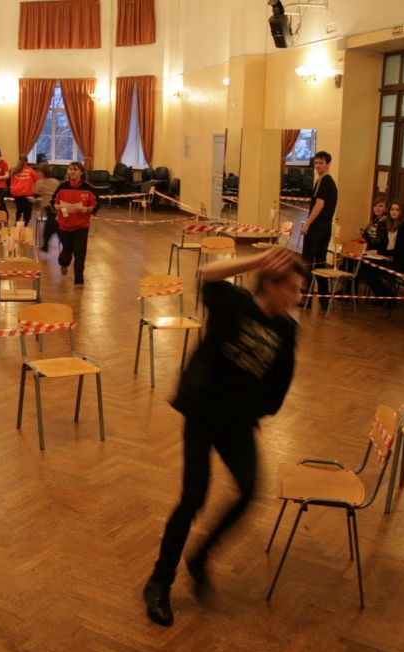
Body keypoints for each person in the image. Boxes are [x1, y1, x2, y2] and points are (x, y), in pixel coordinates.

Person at [143, 246, 307, 627]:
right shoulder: (235, 303)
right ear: (271, 284)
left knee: (249, 490)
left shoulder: (286, 329)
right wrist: (258, 260)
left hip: (237, 422)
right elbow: (208, 273)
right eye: (293, 288)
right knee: (193, 498)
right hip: (203, 413)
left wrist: (257, 410)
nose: (298, 297)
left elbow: (280, 380)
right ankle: (159, 581)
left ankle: (200, 557)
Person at [53, 162, 100, 287]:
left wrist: (87, 209)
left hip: (82, 226)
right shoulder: (62, 187)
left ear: (81, 172)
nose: (72, 172)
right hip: (65, 225)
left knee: (80, 253)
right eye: (70, 169)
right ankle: (63, 263)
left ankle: (79, 280)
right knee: (67, 252)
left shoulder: (88, 188)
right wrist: (57, 206)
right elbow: (53, 202)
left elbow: (96, 204)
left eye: (75, 169)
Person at [301, 151, 337, 305]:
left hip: (317, 227)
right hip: (325, 227)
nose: (317, 166)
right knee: (320, 263)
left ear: (328, 164)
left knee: (308, 262)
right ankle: (324, 300)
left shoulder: (325, 181)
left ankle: (306, 299)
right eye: (316, 163)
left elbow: (319, 205)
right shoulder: (323, 181)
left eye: (321, 163)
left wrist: (307, 224)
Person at [34, 163, 60, 252]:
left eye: (39, 171)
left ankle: (46, 244)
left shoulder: (40, 182)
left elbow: (36, 195)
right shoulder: (56, 181)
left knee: (50, 223)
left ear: (42, 172)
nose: (38, 173)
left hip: (47, 205)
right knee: (50, 222)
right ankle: (46, 245)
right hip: (57, 204)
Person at [9, 154, 40, 226]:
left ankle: (17, 227)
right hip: (27, 195)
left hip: (16, 195)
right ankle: (22, 227)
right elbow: (38, 181)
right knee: (27, 214)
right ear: (27, 161)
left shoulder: (14, 170)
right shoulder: (31, 171)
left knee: (19, 211)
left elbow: (11, 181)